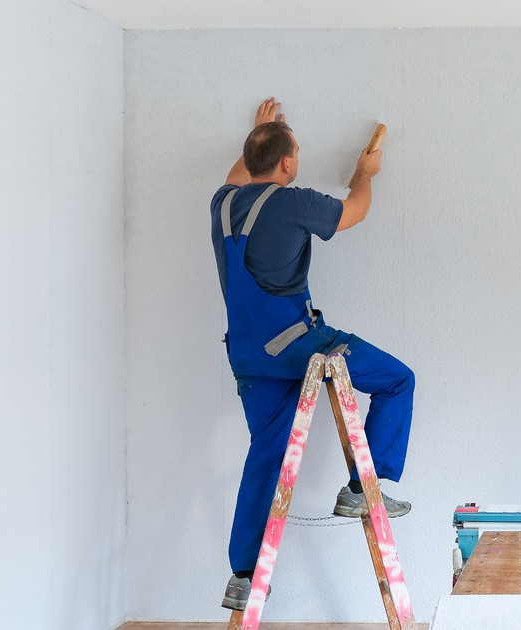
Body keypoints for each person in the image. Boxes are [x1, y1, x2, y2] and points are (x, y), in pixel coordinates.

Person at [210, 98, 415, 611]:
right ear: (285, 164)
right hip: (298, 349)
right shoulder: (295, 202)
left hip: (248, 359)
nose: (296, 159)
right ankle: (362, 489)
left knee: (267, 455)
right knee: (398, 380)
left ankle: (242, 575)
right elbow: (355, 211)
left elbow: (242, 172)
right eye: (293, 152)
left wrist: (261, 132)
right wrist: (366, 174)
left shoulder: (222, 204)